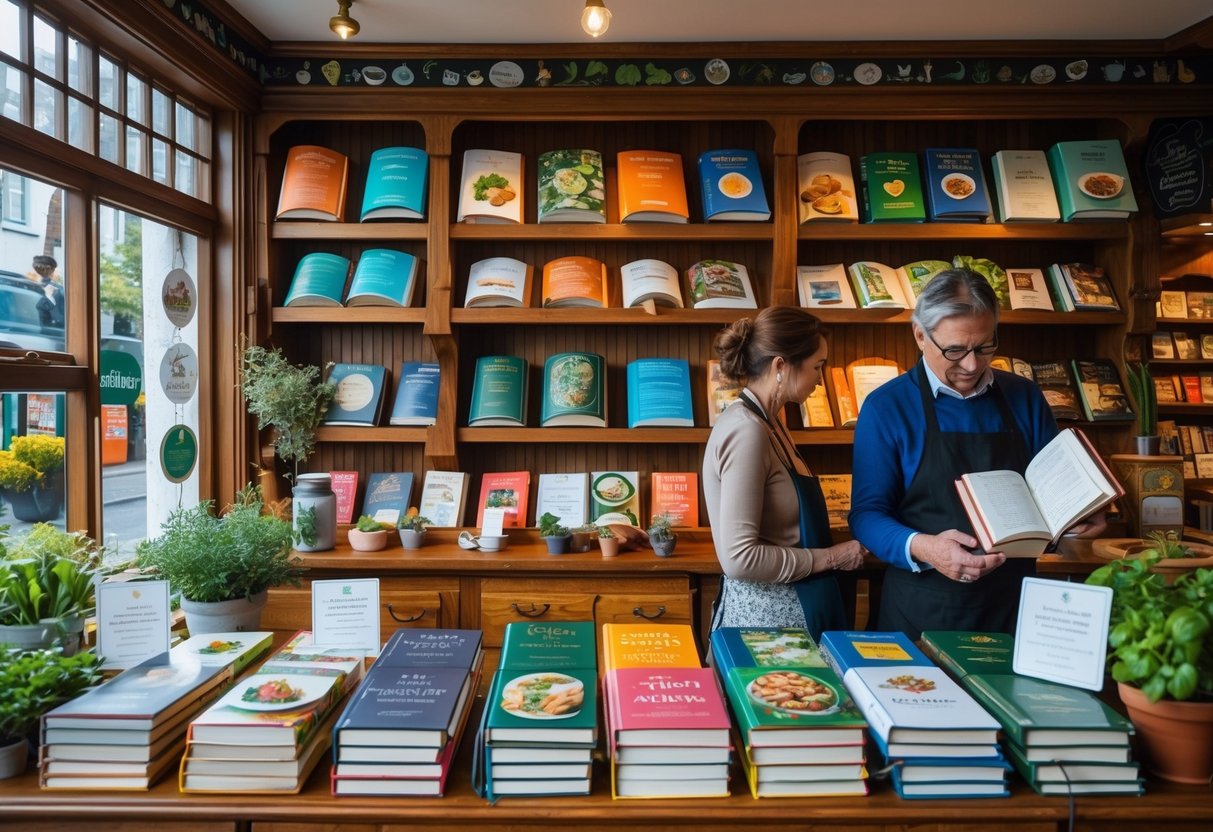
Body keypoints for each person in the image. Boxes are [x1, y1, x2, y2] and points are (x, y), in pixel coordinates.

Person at [849, 268, 1106, 640]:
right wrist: (927, 547)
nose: (971, 365)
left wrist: (1078, 516)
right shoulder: (886, 407)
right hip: (922, 610)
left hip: (1014, 604)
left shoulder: (1024, 397)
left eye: (985, 347)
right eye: (954, 350)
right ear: (920, 335)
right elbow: (867, 515)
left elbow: (1053, 494)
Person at [702, 306, 867, 638]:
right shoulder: (747, 430)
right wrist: (833, 557)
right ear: (781, 365)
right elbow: (740, 559)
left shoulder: (772, 422)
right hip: (766, 629)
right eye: (817, 366)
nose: (821, 379)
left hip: (793, 615)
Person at [28, 255, 65, 328]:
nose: (30, 273)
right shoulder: (54, 289)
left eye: (33, 270)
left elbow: (58, 320)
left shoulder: (54, 292)